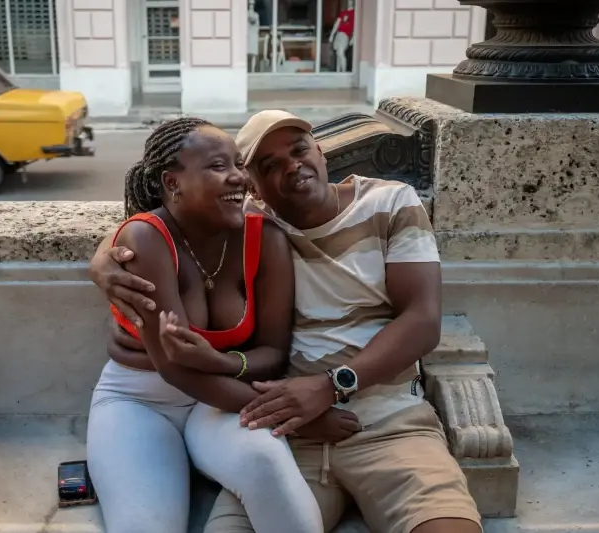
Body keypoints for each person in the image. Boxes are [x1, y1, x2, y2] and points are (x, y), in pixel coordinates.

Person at [90, 110, 483, 533]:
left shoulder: (386, 202)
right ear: (257, 186)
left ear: (322, 151)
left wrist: (330, 387)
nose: (292, 166)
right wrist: (102, 257)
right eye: (268, 165)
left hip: (382, 420)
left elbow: (423, 321)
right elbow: (158, 226)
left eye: (299, 150)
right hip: (278, 422)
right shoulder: (249, 217)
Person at [87, 117, 342, 533]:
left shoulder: (265, 238)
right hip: (140, 402)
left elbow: (273, 354)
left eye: (239, 164)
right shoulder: (145, 240)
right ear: (173, 183)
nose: (238, 177)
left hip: (221, 402)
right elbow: (174, 367)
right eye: (218, 166)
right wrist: (302, 419)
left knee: (266, 466)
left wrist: (226, 364)